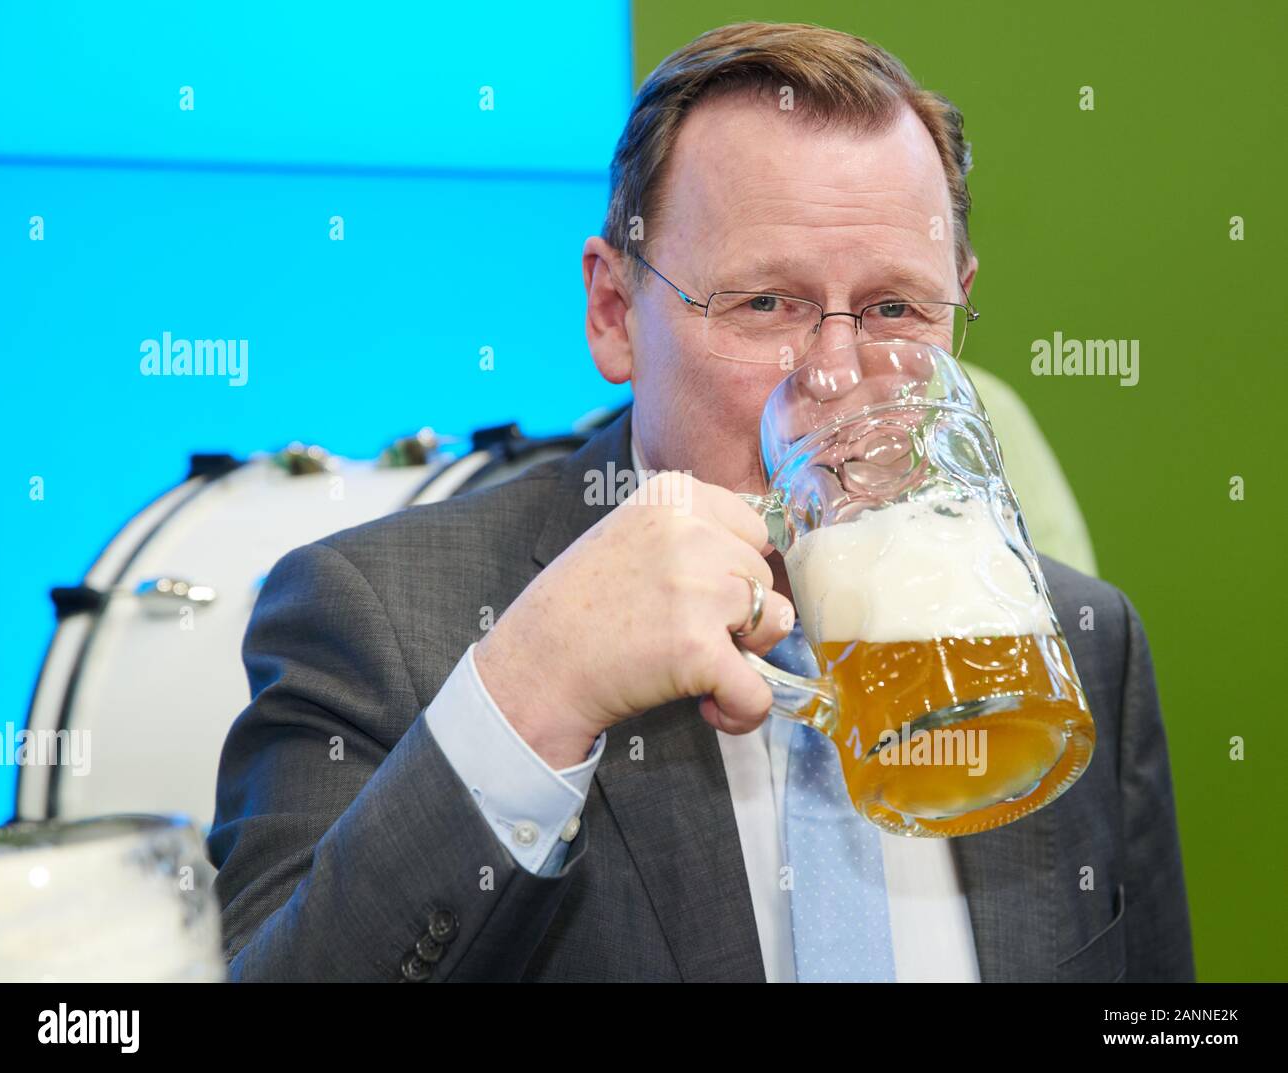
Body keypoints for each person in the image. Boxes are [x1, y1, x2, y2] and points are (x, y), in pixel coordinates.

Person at [207, 21, 1194, 982]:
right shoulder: (377, 621)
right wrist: (537, 689)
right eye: (765, 303)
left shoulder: (1083, 643)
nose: (837, 378)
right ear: (613, 313)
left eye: (895, 309)